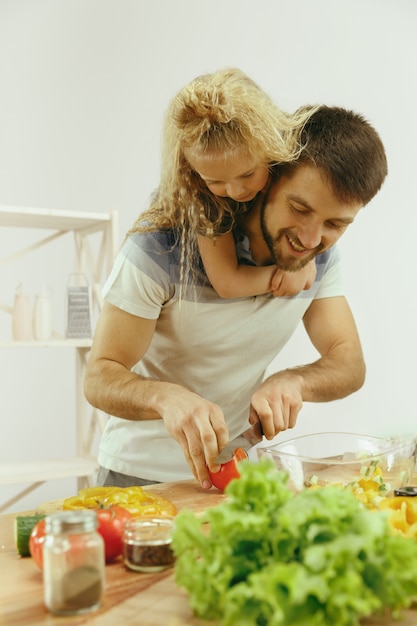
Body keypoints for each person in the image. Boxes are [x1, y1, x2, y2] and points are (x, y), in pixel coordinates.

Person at [84, 103, 388, 491]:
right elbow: (99, 376)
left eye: (335, 224)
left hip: (233, 477)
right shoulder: (161, 248)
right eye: (299, 208)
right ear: (267, 177)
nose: (311, 239)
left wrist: (295, 381)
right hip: (135, 477)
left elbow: (349, 362)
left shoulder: (319, 257)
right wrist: (166, 398)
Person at [137, 68, 317, 299]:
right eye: (215, 181)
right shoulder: (207, 200)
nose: (235, 191)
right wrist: (289, 273)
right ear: (193, 172)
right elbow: (228, 283)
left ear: (270, 150)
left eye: (248, 174)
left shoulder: (286, 177)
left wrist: (305, 258)